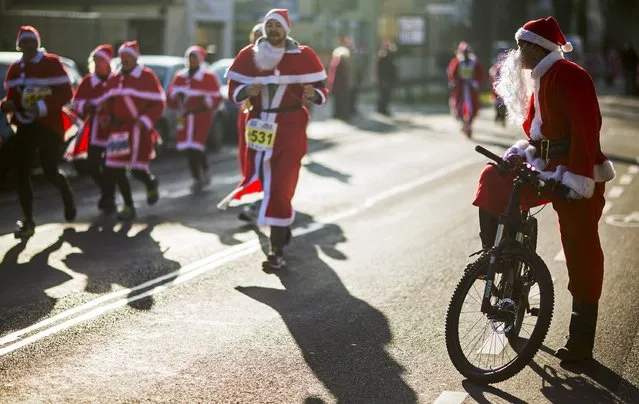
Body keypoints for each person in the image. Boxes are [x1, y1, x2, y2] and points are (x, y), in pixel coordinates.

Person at [474, 17, 616, 363]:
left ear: (538, 47)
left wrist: (576, 182)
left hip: (578, 172)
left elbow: (586, 133)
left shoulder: (572, 77)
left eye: (522, 45)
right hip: (543, 165)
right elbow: (538, 134)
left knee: (580, 250)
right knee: (493, 178)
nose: (517, 51)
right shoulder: (539, 77)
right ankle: (498, 258)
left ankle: (581, 342)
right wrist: (519, 154)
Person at [218, 8, 329, 270]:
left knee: (281, 186)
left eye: (277, 26)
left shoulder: (303, 55)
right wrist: (247, 89)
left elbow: (322, 90)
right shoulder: (250, 55)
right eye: (269, 26)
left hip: (290, 127)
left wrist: (313, 94)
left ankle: (276, 248)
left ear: (286, 29)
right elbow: (234, 89)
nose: (272, 31)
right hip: (258, 124)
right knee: (265, 184)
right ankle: (281, 232)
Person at [0, 26, 76, 239]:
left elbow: (66, 93)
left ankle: (66, 194)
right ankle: (29, 221)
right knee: (21, 172)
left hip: (49, 126)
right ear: (19, 45)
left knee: (50, 171)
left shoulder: (51, 63)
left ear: (37, 42)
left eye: (31, 41)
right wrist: (6, 105)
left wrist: (41, 107)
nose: (28, 46)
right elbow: (13, 96)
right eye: (24, 42)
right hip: (25, 126)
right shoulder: (15, 68)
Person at [97, 41, 165, 221]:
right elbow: (105, 103)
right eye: (122, 57)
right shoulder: (114, 78)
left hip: (138, 131)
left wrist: (145, 120)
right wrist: (104, 117)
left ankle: (150, 182)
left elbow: (158, 103)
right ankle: (128, 205)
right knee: (116, 169)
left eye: (128, 57)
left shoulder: (147, 76)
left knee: (136, 170)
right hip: (118, 131)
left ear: (135, 59)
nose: (125, 60)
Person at [167, 45, 222, 192]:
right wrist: (177, 96)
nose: (192, 61)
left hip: (200, 117)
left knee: (197, 146)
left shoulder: (208, 77)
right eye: (189, 58)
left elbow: (216, 98)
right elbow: (171, 96)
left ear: (200, 60)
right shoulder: (180, 76)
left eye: (194, 58)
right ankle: (196, 178)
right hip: (184, 118)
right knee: (187, 148)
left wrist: (204, 98)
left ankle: (205, 170)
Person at [70, 44, 115, 213]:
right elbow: (77, 102)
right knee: (92, 165)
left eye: (101, 61)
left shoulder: (116, 80)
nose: (97, 64)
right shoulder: (88, 81)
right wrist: (87, 107)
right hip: (95, 129)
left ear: (107, 63)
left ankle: (108, 197)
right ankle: (107, 191)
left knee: (111, 166)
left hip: (113, 130)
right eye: (95, 60)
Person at [236, 23, 264, 223]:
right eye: (254, 36)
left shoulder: (280, 58)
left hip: (271, 118)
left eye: (260, 36)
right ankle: (254, 193)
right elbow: (235, 87)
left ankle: (262, 200)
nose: (257, 40)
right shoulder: (245, 57)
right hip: (249, 115)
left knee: (265, 160)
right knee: (248, 157)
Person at [447, 41, 483, 138]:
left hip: (471, 88)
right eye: (464, 52)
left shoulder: (475, 62)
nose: (465, 54)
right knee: (458, 107)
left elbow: (480, 75)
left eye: (467, 52)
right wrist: (454, 83)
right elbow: (452, 75)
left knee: (472, 107)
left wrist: (475, 83)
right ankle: (464, 124)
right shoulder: (457, 62)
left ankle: (469, 126)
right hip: (461, 88)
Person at [327, 37, 353, 121]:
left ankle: (338, 114)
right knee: (342, 101)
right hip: (341, 85)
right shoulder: (340, 64)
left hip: (336, 85)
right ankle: (341, 115)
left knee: (337, 101)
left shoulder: (334, 62)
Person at [376, 40, 397, 116]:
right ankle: (381, 109)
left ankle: (383, 109)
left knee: (386, 95)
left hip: (388, 78)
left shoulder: (389, 56)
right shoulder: (384, 56)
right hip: (385, 79)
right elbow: (381, 69)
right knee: (384, 95)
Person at [488, 51, 507, 127]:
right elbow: (492, 78)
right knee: (497, 105)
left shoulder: (506, 69)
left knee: (504, 105)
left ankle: (503, 118)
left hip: (505, 90)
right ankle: (498, 115)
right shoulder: (494, 68)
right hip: (496, 90)